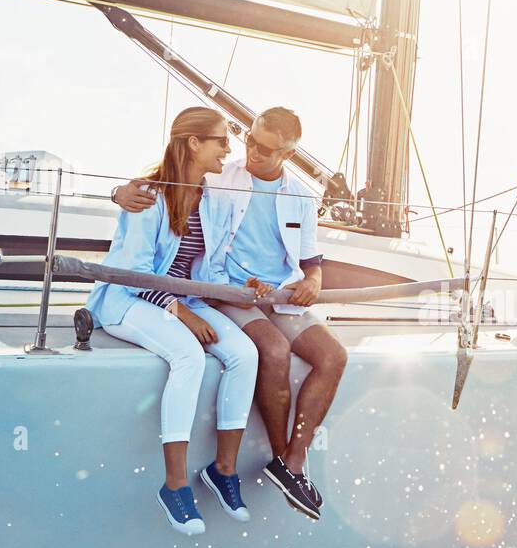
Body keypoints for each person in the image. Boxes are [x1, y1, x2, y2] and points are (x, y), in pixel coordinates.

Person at [112, 107, 347, 521]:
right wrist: (115, 192)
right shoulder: (222, 175)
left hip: (277, 296)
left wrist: (313, 282)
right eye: (247, 139)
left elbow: (312, 262)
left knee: (333, 356)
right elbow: (163, 179)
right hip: (229, 295)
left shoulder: (300, 197)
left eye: (263, 147)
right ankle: (252, 463)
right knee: (269, 351)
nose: (248, 150)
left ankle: (291, 463)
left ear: (288, 154)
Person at [88, 107, 259, 536]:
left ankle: (223, 469)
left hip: (186, 301)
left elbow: (212, 270)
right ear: (193, 143)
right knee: (188, 355)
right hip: (130, 300)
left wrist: (243, 285)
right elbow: (132, 273)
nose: (229, 148)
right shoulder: (147, 196)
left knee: (244, 354)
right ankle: (175, 484)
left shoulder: (213, 201)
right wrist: (178, 310)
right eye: (221, 139)